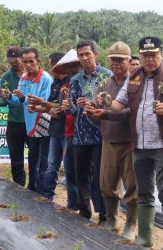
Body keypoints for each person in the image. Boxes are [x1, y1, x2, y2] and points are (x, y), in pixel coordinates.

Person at [99, 36, 163, 249]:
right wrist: (106, 101)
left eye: (153, 55)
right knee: (144, 193)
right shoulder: (134, 76)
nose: (149, 59)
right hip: (139, 146)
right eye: (145, 56)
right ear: (139, 57)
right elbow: (117, 105)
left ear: (161, 54)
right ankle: (145, 238)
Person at [84, 41, 138, 240]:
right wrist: (90, 111)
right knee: (106, 183)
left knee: (133, 186)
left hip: (130, 141)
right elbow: (97, 106)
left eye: (120, 60)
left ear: (129, 61)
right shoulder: (104, 83)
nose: (115, 64)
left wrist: (105, 114)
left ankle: (131, 225)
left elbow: (132, 111)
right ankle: (112, 219)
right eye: (112, 60)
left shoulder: (135, 84)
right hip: (108, 139)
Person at [62, 41, 111, 223]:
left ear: (95, 54)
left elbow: (112, 104)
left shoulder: (107, 76)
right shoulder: (75, 80)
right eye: (81, 55)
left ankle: (104, 214)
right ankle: (84, 212)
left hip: (101, 135)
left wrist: (93, 105)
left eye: (87, 54)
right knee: (80, 175)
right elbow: (72, 109)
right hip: (80, 135)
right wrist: (68, 107)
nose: (84, 58)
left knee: (100, 178)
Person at [29, 52, 78, 210]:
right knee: (51, 166)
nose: (49, 69)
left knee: (70, 170)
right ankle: (47, 196)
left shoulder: (73, 82)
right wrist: (39, 108)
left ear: (57, 66)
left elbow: (66, 107)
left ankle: (73, 205)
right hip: (55, 130)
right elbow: (51, 104)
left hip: (69, 131)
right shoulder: (56, 83)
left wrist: (45, 105)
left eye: (51, 65)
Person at [3, 47, 53, 194]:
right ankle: (32, 191)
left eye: (31, 61)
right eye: (25, 62)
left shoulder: (46, 79)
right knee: (33, 160)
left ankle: (42, 194)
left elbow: (44, 103)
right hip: (30, 125)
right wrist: (9, 96)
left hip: (43, 122)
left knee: (42, 162)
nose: (28, 64)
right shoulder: (24, 78)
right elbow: (19, 100)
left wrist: (23, 98)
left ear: (38, 61)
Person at [0, 46, 29, 186]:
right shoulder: (6, 76)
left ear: (22, 58)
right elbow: (3, 100)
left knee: (36, 158)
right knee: (16, 159)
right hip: (14, 123)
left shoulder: (32, 75)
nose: (12, 63)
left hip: (32, 122)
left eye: (15, 60)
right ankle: (18, 187)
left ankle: (35, 190)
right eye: (10, 61)